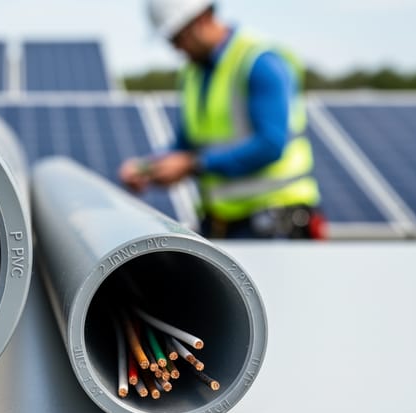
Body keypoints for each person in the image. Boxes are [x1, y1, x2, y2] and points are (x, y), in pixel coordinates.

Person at [120, 0, 326, 239]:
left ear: (201, 19)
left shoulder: (259, 62)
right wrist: (148, 167)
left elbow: (270, 145)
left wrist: (193, 165)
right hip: (222, 224)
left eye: (177, 38)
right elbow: (187, 144)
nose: (176, 49)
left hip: (277, 222)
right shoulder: (192, 74)